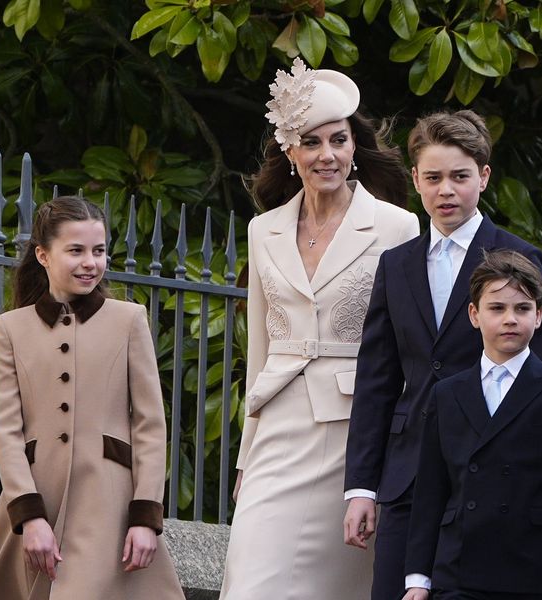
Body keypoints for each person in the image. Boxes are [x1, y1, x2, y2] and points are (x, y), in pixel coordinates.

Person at [219, 58, 419, 600]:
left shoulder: (398, 227)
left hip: (355, 432)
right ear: (289, 152)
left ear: (356, 148)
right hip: (277, 436)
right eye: (311, 142)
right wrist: (246, 456)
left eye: (339, 140)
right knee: (250, 581)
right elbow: (260, 351)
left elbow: (408, 350)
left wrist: (393, 460)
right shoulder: (264, 230)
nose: (326, 155)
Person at [343, 109, 542, 600]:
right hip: (408, 480)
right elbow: (377, 380)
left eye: (460, 176)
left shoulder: (521, 257)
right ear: (415, 179)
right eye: (433, 177)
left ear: (483, 177)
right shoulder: (395, 265)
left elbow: (539, 379)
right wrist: (361, 486)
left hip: (490, 483)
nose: (446, 190)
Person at [0, 196, 183, 600]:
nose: (91, 262)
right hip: (37, 503)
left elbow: (151, 426)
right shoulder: (11, 329)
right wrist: (29, 517)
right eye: (76, 251)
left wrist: (145, 516)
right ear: (43, 255)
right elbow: (6, 430)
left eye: (99, 251)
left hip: (110, 505)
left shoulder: (128, 320)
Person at [401, 249, 542, 600]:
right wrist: (418, 578)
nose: (510, 319)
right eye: (497, 308)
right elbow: (431, 491)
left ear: (538, 316)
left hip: (538, 572)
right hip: (459, 569)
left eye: (522, 308)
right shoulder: (447, 394)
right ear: (474, 315)